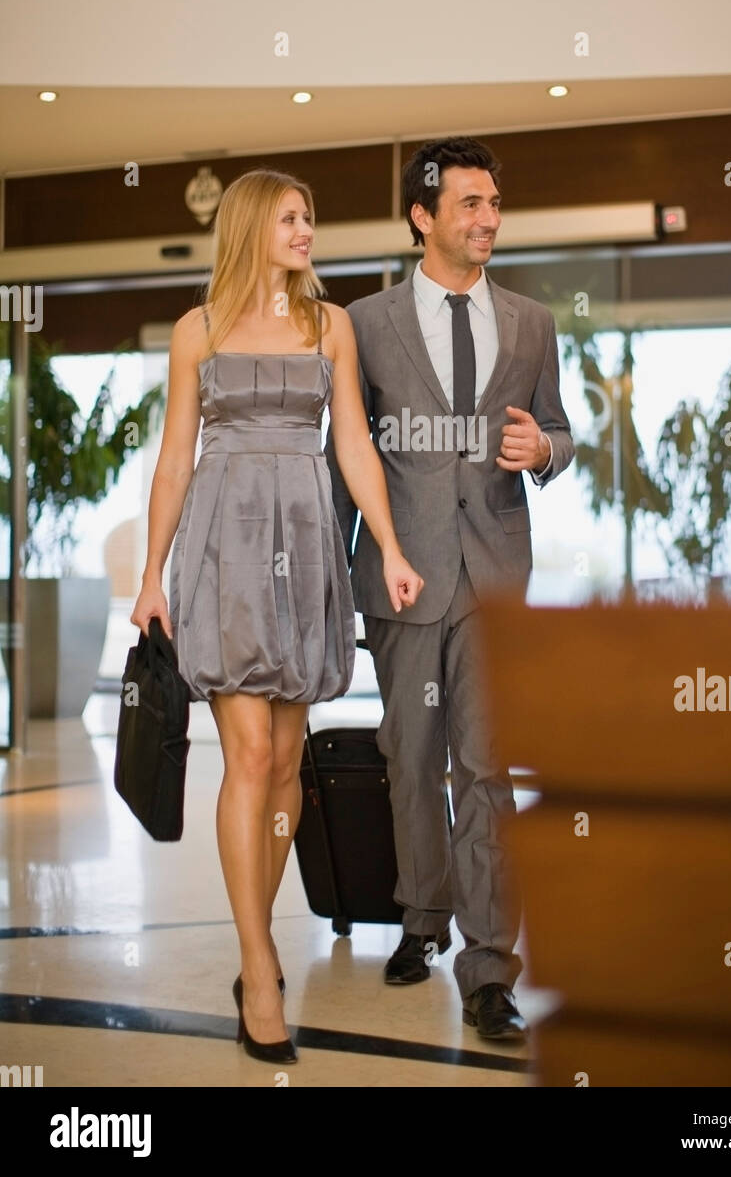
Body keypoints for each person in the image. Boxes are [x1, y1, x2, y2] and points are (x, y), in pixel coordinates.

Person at [130, 167, 423, 1066]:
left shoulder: (329, 325)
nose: (307, 232)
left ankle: (256, 932)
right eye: (293, 219)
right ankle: (259, 967)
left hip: (304, 540)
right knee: (248, 754)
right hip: (223, 548)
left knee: (288, 761)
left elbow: (353, 444)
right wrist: (151, 576)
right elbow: (176, 459)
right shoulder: (197, 331)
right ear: (254, 226)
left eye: (310, 218)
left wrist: (390, 544)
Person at [325, 136, 574, 1042]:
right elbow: (341, 459)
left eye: (495, 203)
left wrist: (544, 450)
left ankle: (489, 969)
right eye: (471, 204)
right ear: (423, 216)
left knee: (486, 769)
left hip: (495, 573)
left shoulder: (533, 321)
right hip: (401, 573)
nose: (489, 219)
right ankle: (420, 920)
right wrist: (334, 572)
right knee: (409, 759)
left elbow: (557, 428)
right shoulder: (360, 324)